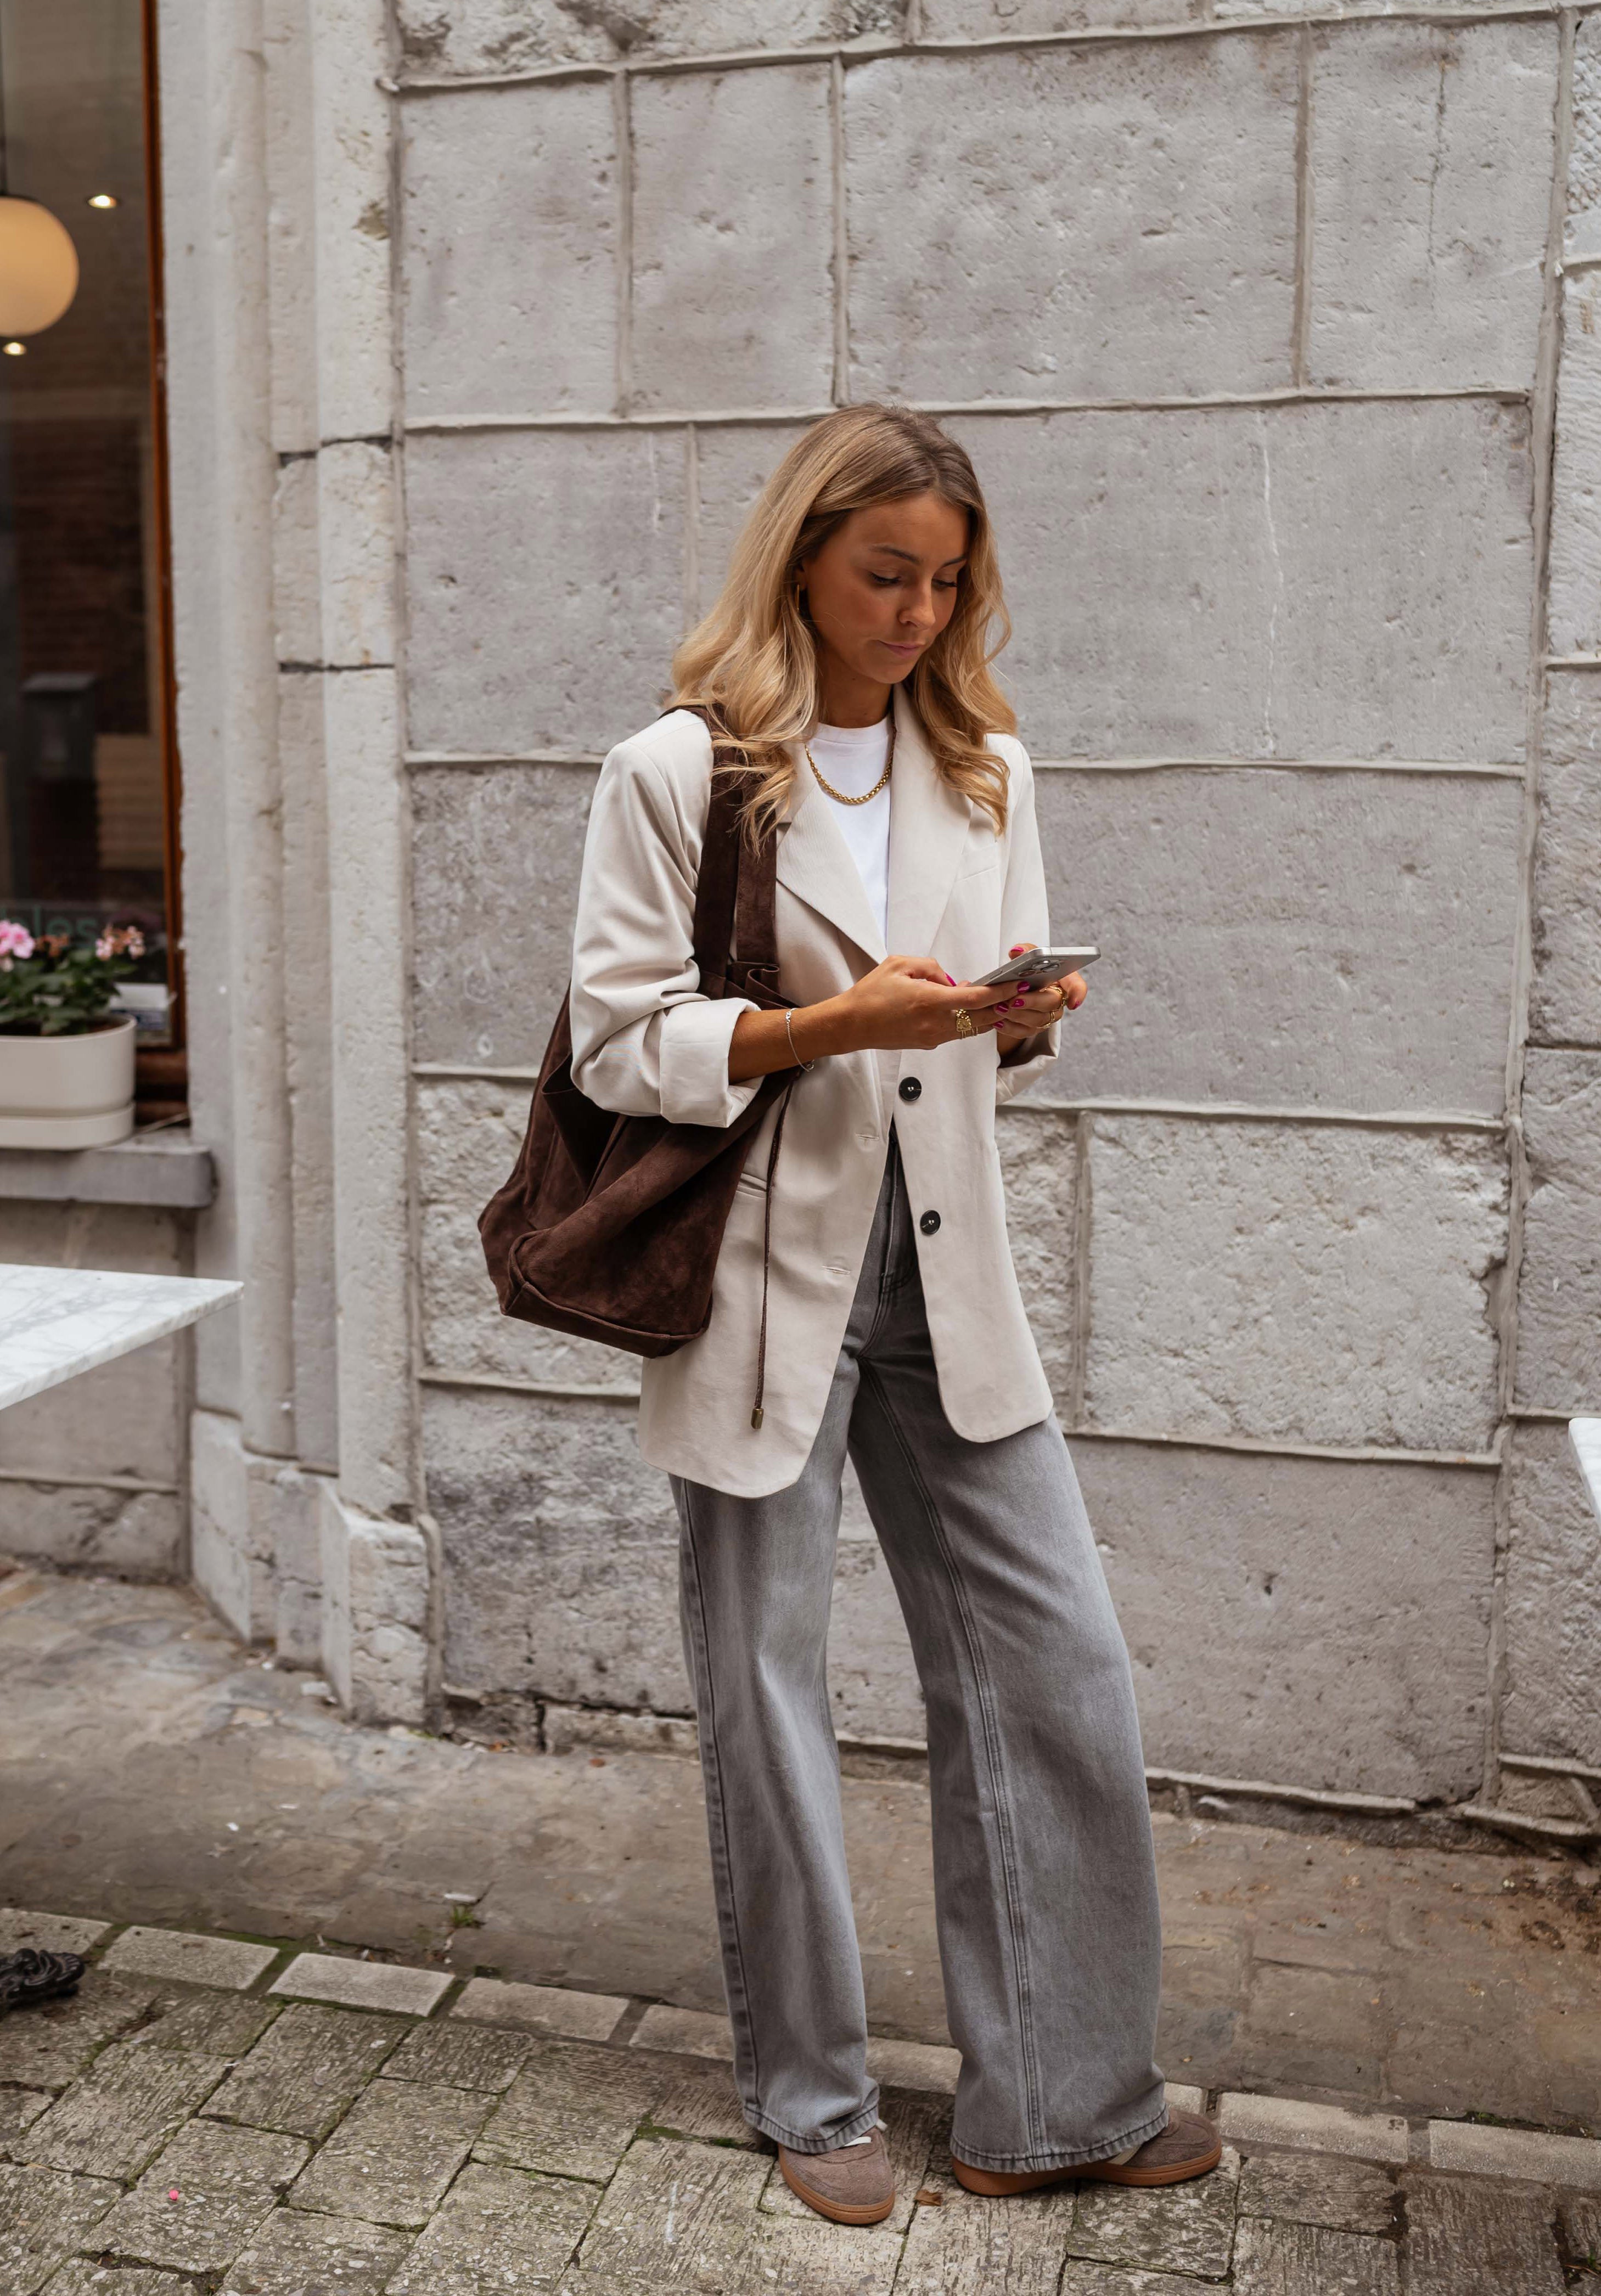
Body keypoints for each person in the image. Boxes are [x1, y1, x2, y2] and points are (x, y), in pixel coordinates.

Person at [566, 404, 1219, 2225]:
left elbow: (982, 1029)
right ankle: (814, 2099)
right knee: (769, 1689)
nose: (922, 612)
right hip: (761, 1283)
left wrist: (1017, 1019)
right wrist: (829, 1027)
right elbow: (626, 1039)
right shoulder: (678, 773)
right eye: (888, 575)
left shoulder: (991, 763)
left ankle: (1060, 2106)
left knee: (1057, 1667)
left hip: (948, 1273)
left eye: (949, 580)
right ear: (802, 557)